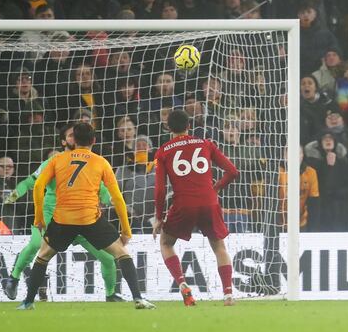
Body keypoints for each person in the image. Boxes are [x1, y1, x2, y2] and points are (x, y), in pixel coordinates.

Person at [17, 123, 154, 310]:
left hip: (62, 219)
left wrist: (38, 219)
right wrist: (125, 230)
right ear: (94, 141)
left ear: (75, 140)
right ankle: (138, 298)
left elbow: (39, 187)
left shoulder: (57, 160)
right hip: (90, 220)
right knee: (121, 253)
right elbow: (117, 198)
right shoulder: (100, 162)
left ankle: (27, 302)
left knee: (42, 256)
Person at [2, 124, 122, 302]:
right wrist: (15, 194)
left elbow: (101, 189)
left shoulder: (92, 162)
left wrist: (110, 199)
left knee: (107, 258)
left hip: (81, 220)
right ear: (64, 141)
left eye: (76, 135)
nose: (75, 138)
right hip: (51, 219)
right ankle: (14, 278)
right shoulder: (55, 161)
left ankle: (111, 295)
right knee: (36, 245)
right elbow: (30, 182)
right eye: (71, 135)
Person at [153, 110, 239, 306]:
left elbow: (160, 190)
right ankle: (228, 294)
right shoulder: (205, 144)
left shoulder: (163, 151)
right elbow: (233, 172)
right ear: (189, 126)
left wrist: (159, 217)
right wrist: (215, 188)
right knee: (219, 247)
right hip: (209, 202)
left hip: (183, 204)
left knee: (166, 243)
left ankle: (183, 285)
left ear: (167, 127)